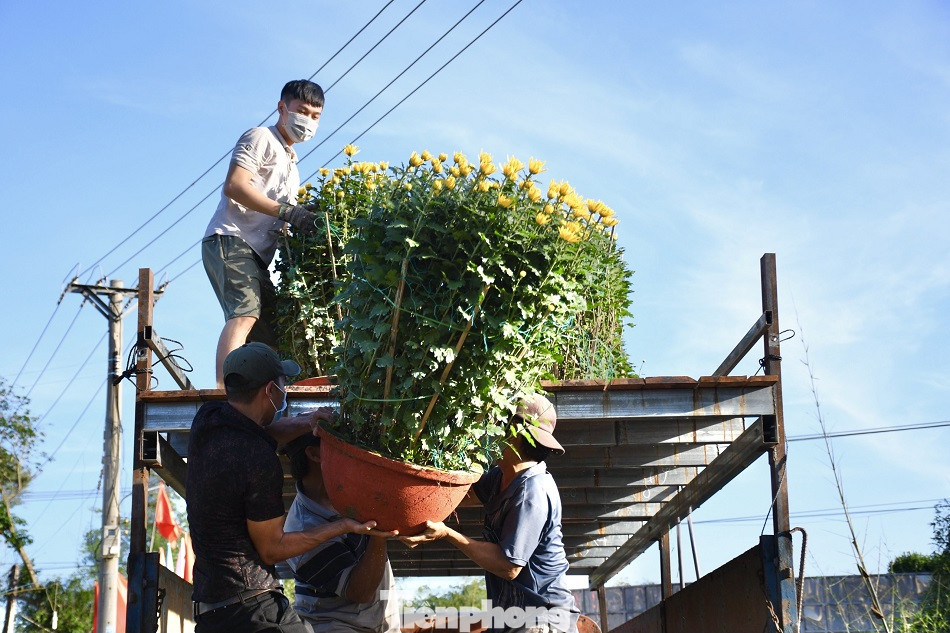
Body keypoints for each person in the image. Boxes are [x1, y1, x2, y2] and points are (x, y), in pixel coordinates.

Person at [186, 342, 394, 633]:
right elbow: (272, 549)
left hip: (212, 611)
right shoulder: (259, 462)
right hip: (251, 612)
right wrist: (345, 526)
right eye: (284, 385)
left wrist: (306, 421)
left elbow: (260, 433)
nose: (286, 393)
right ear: (271, 391)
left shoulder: (208, 421)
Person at [400, 393, 580, 633]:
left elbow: (509, 566)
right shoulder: (501, 476)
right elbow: (459, 495)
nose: (489, 430)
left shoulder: (532, 493)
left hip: (542, 622)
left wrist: (447, 534)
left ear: (515, 433)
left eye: (496, 423)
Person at [202, 79, 325, 388]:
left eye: (315, 116)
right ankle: (223, 393)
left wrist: (302, 215)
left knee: (268, 336)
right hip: (230, 240)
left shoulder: (292, 164)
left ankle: (262, 398)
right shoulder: (260, 137)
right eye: (302, 111)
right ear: (282, 108)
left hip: (257, 254)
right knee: (244, 314)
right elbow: (235, 185)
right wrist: (286, 211)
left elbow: (281, 216)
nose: (308, 121)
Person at [281, 431, 401, 633]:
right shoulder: (303, 530)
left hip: (380, 625)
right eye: (338, 445)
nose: (349, 452)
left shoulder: (349, 495)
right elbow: (360, 592)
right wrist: (379, 532)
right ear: (314, 454)